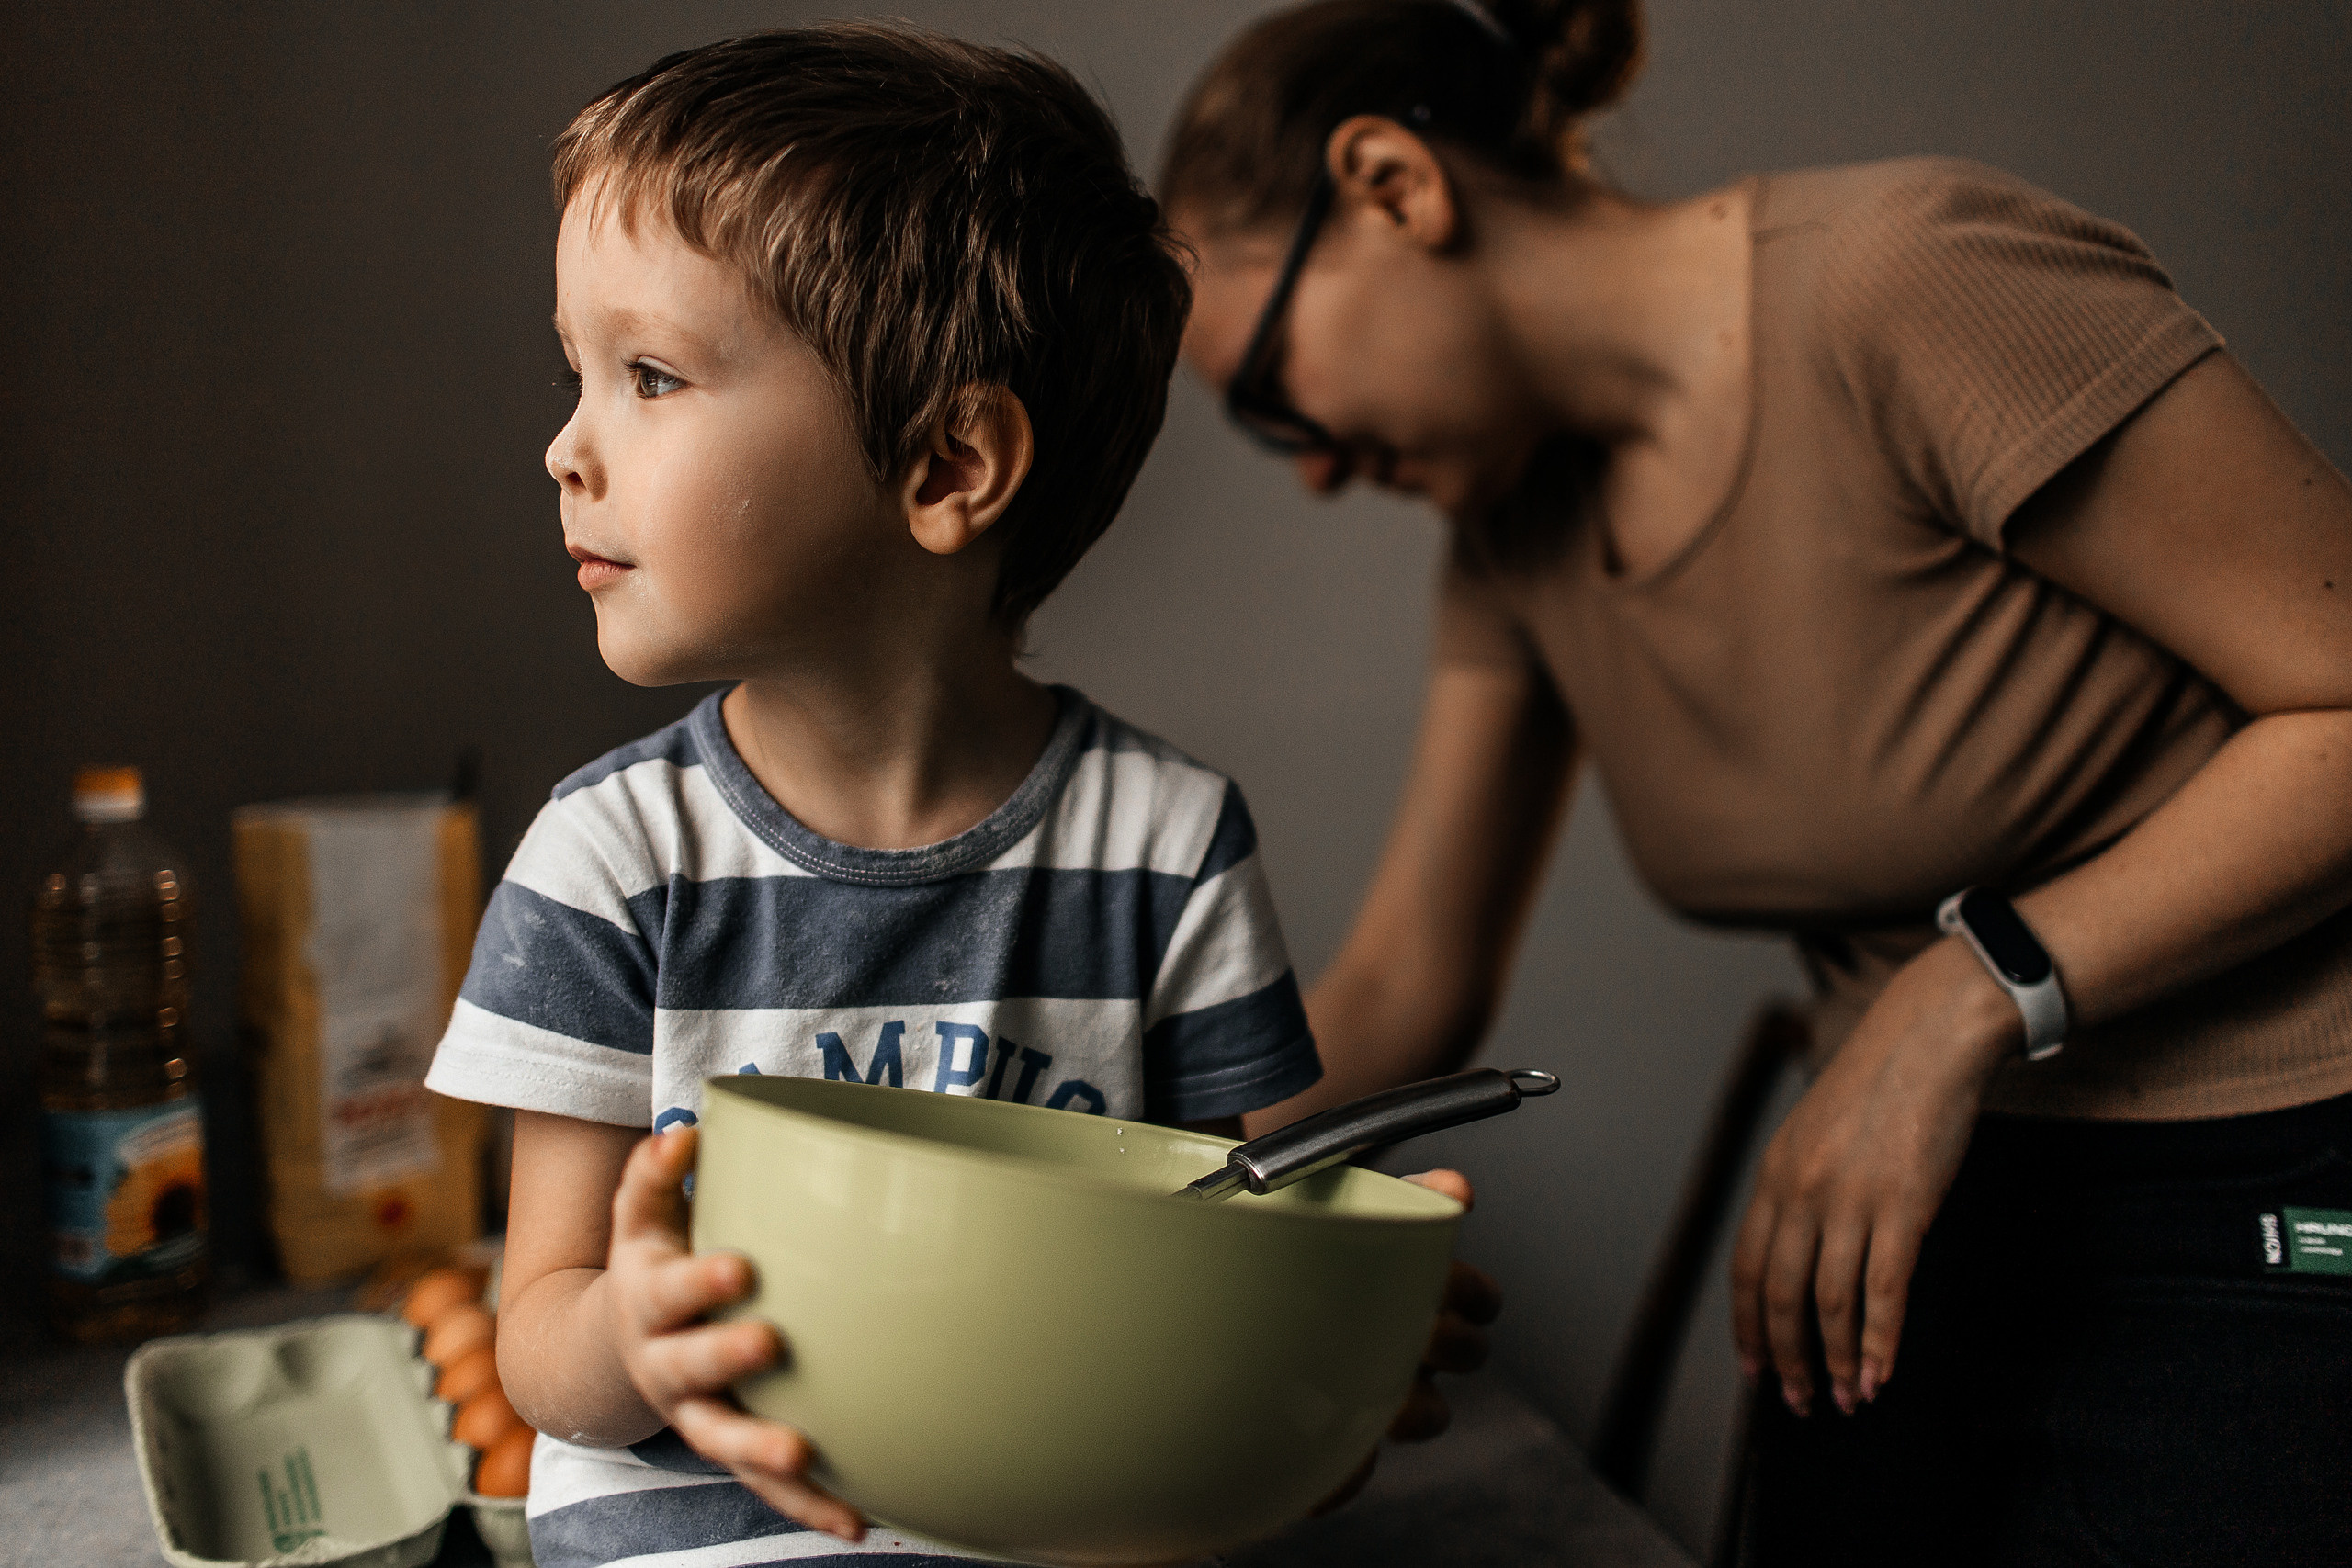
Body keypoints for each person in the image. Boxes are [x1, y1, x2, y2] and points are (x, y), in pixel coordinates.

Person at [1159, 1, 2352, 1562]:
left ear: (1391, 185)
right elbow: (1407, 978)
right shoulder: (1510, 535)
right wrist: (1131, 1179)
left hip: (2258, 1170)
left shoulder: (1903, 280)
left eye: (1271, 394)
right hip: (1902, 1197)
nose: (1310, 464)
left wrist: (1962, 995)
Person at [423, 26, 1485, 1568]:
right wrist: (636, 1343)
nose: (565, 448)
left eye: (649, 374)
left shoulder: (1167, 852)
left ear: (947, 464)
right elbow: (538, 1342)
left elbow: (1208, 1290)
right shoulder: (611, 863)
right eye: (577, 371)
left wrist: (1334, 1346)